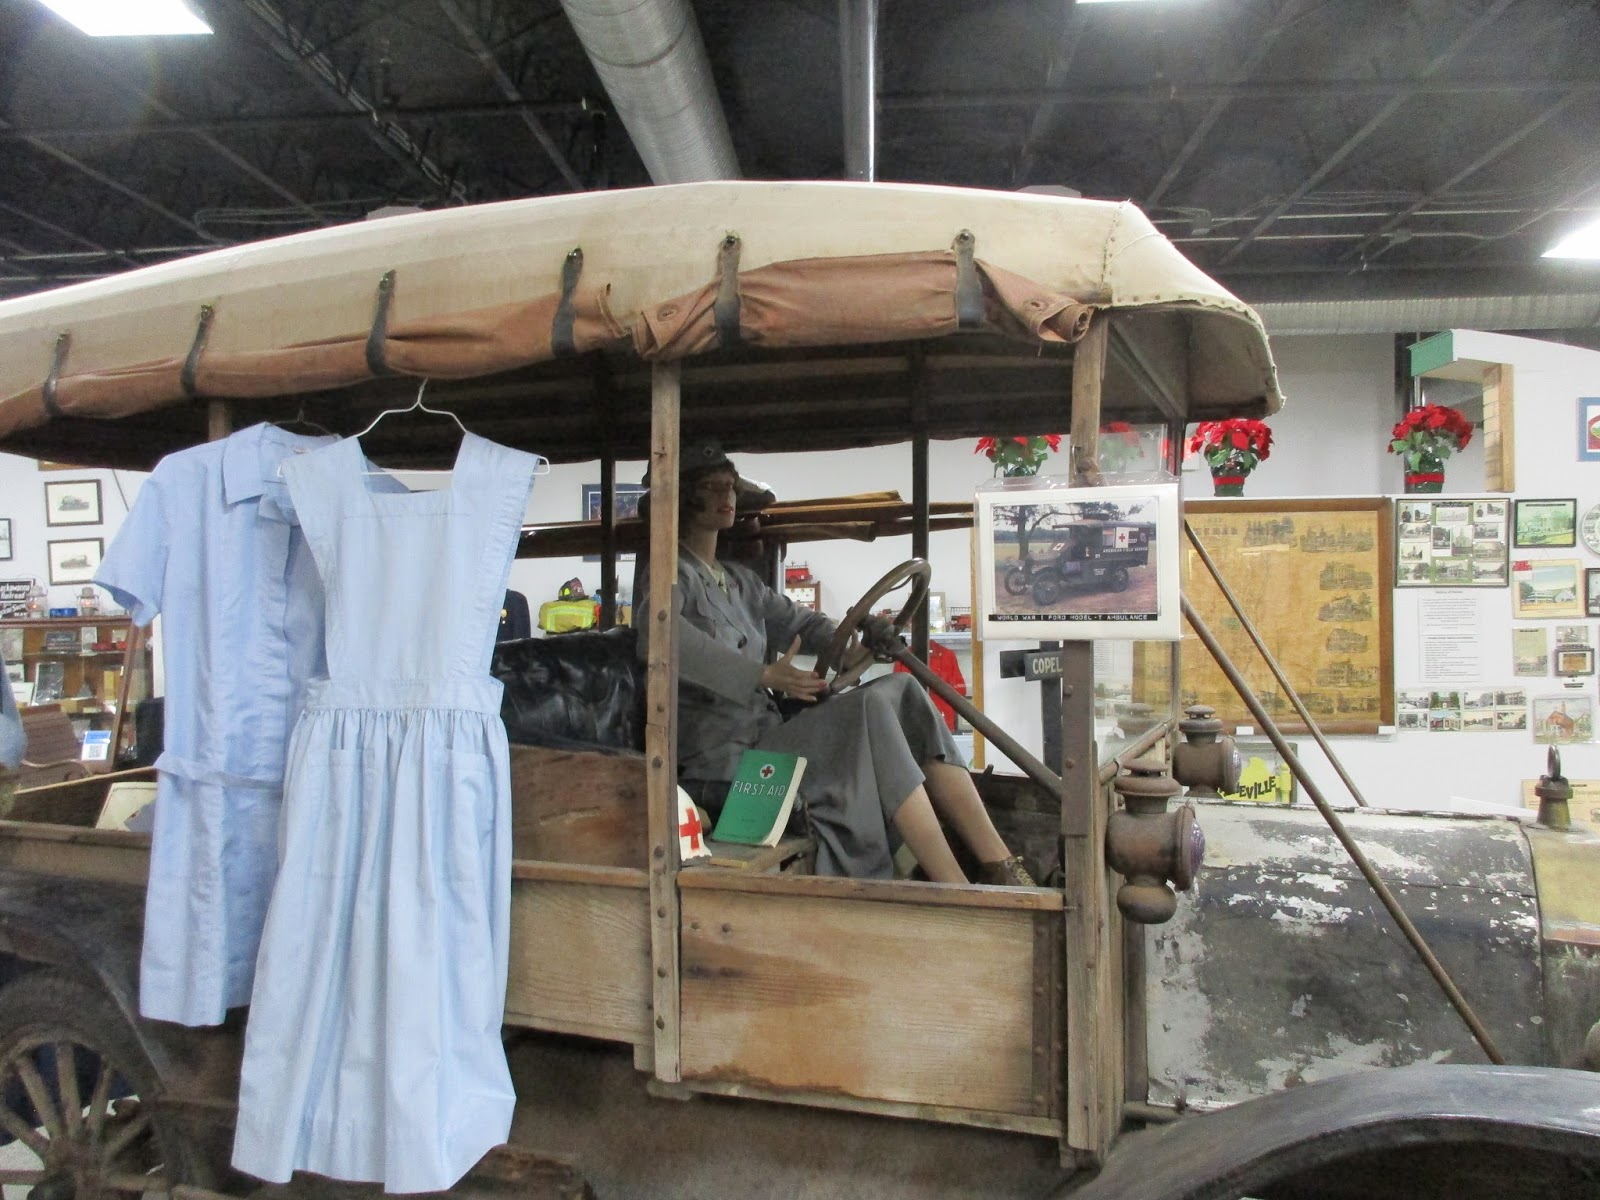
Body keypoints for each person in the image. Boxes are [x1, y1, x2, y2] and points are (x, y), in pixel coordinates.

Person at [640, 440, 1034, 886]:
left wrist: (852, 644)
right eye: (712, 487)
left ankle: (1000, 865)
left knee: (901, 690)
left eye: (730, 486)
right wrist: (762, 675)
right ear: (682, 499)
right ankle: (954, 887)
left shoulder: (739, 582)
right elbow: (661, 638)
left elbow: (801, 620)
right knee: (869, 709)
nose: (726, 497)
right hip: (722, 761)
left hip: (767, 735)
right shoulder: (666, 575)